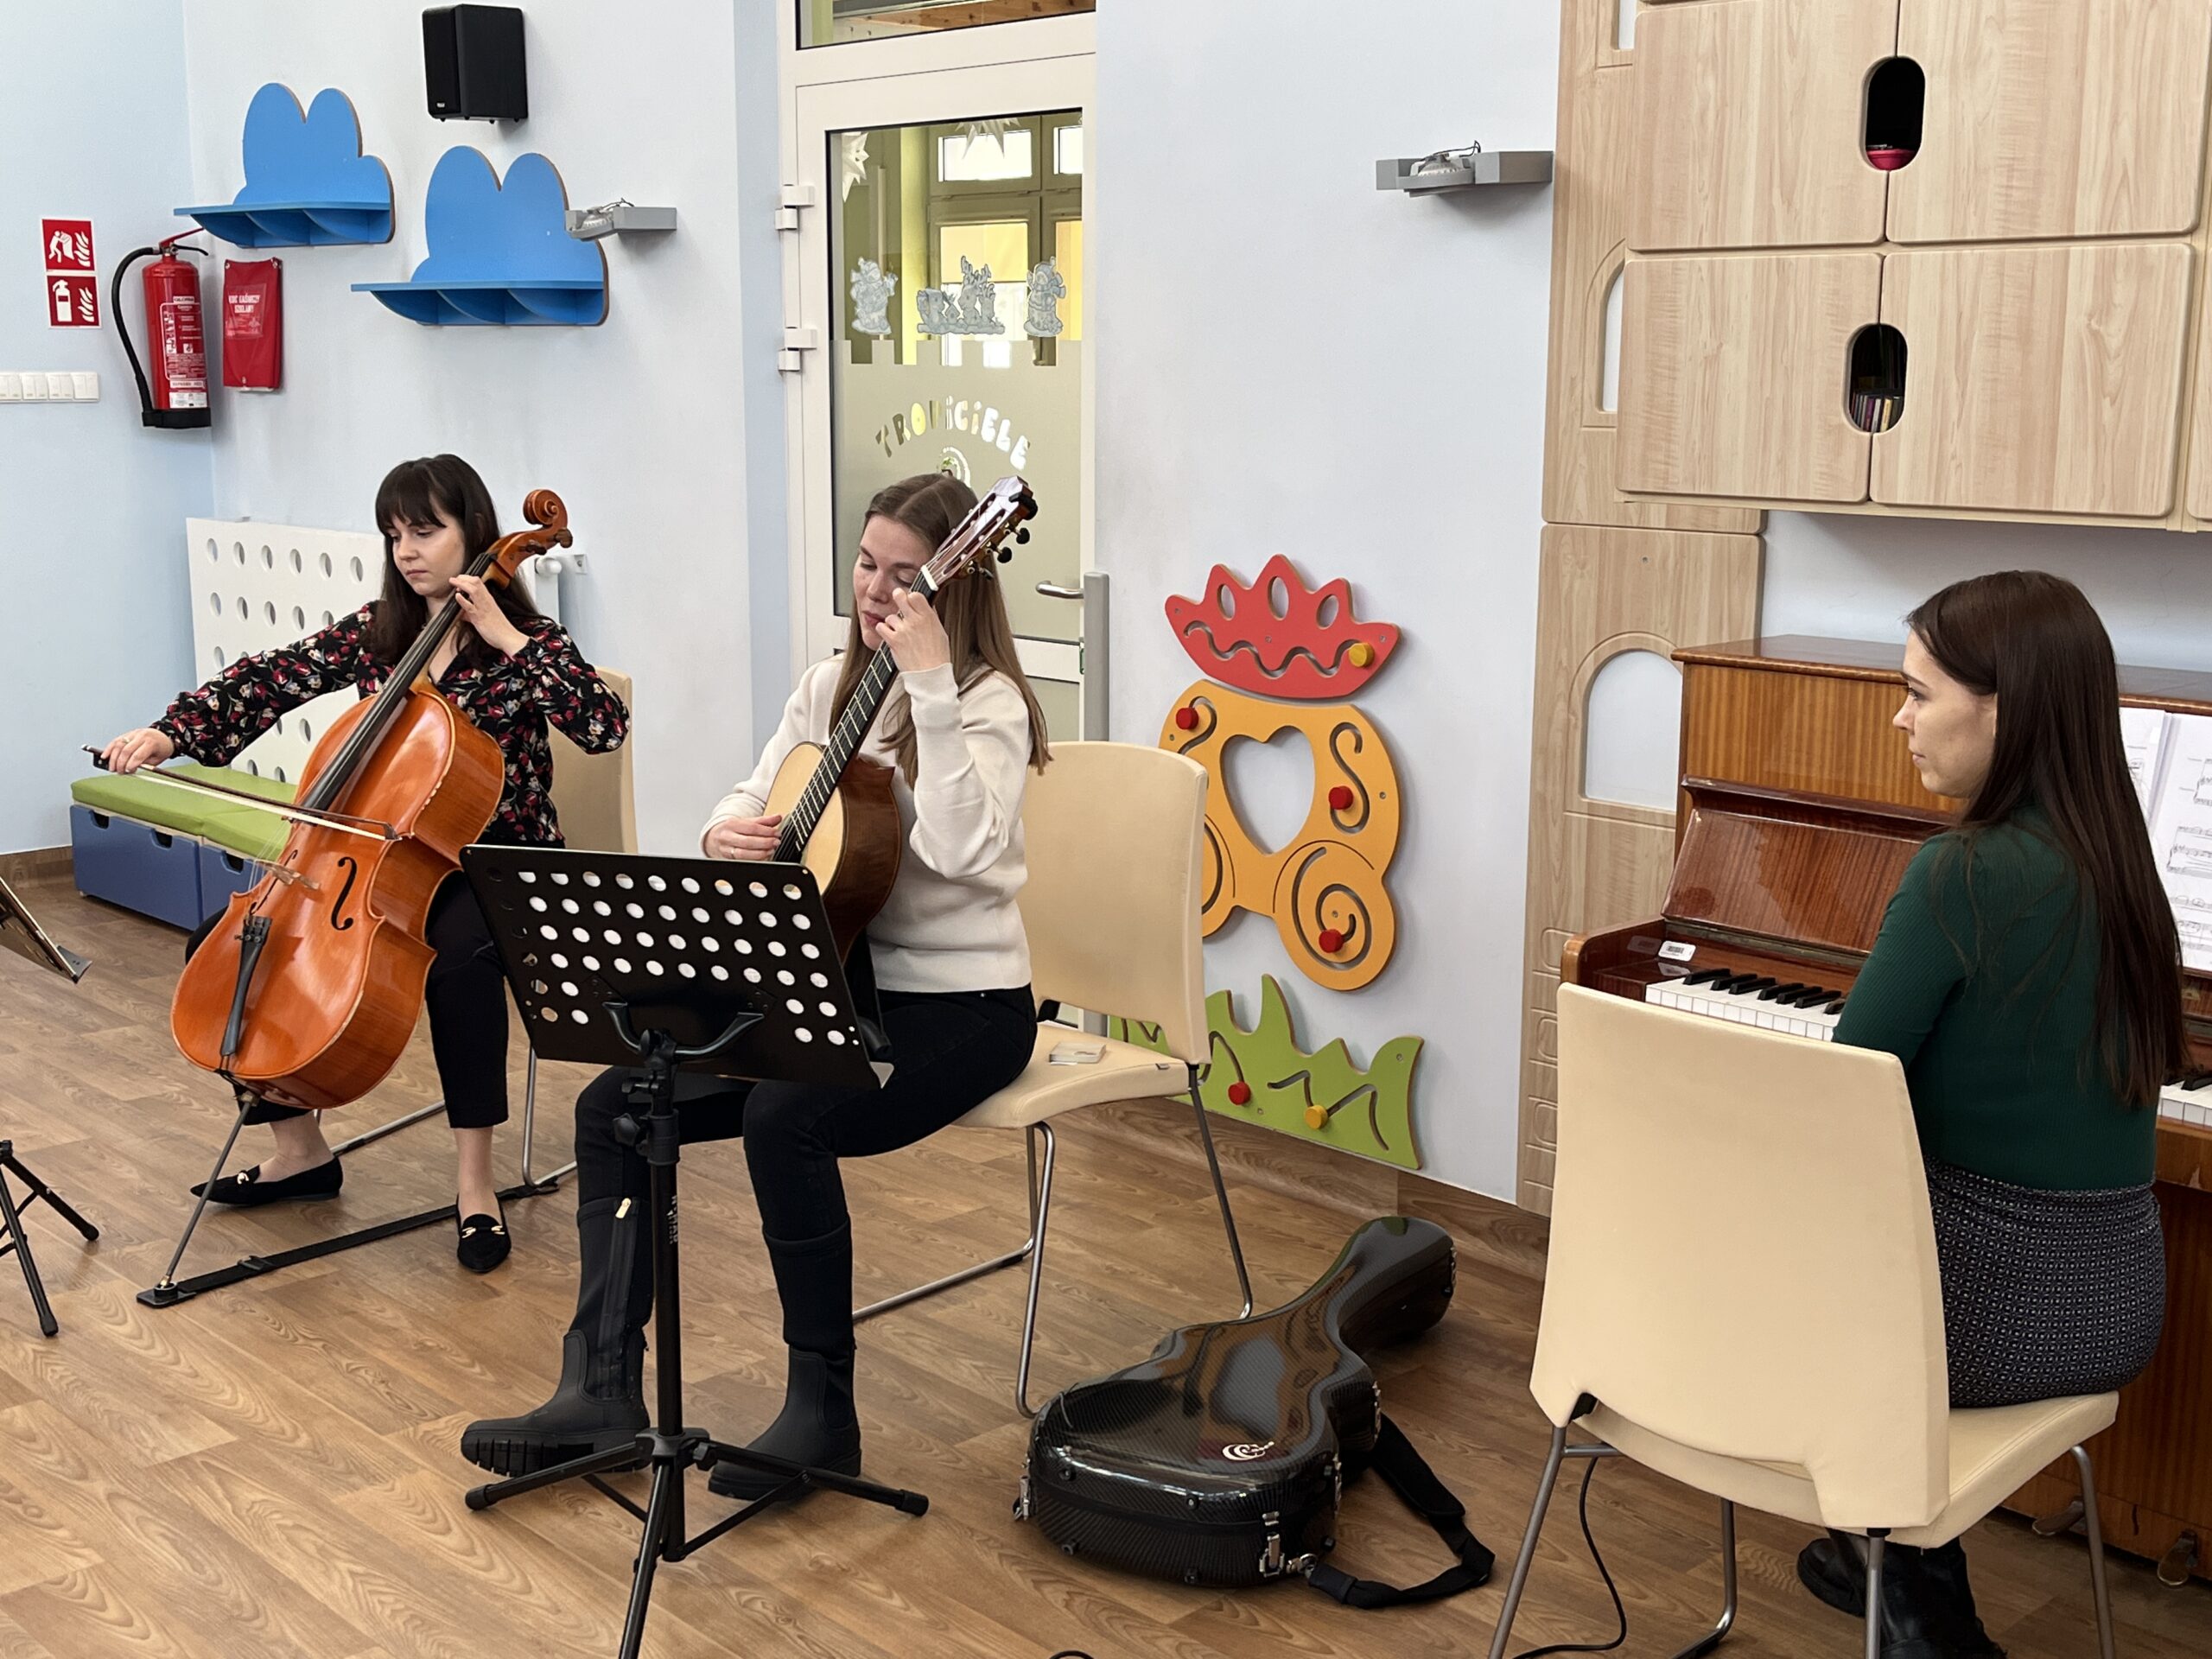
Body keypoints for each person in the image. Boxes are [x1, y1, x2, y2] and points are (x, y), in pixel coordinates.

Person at [460, 472, 1050, 1496]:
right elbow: (751, 791)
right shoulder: (826, 689)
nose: (876, 591)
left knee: (787, 1118)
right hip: (830, 988)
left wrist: (931, 688)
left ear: (954, 584)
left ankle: (823, 1415)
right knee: (616, 1106)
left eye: (904, 575)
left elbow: (965, 854)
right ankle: (600, 1386)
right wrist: (723, 831)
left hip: (961, 1008)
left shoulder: (984, 703)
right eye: (865, 564)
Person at [99, 454, 629, 1273]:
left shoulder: (529, 645)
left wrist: (506, 636)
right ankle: (301, 1150)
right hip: (386, 858)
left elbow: (602, 726)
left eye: (425, 531)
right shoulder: (381, 634)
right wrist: (174, 732)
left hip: (502, 865)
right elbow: (268, 679)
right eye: (394, 535)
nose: (407, 551)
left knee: (459, 962)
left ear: (474, 532)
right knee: (230, 943)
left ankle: (475, 1185)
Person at [1802, 571, 2186, 1658]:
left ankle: (1924, 1614)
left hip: (1984, 1328)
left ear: (2002, 710)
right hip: (2114, 1303)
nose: (1899, 718)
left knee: (1769, 1239)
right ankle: (1868, 1549)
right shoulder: (2123, 865)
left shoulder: (1961, 872)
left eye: (1919, 693)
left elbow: (1843, 1091)